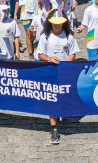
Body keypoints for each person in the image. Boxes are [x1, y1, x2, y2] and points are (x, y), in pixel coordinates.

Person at [37, 15, 79, 145]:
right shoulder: (45, 36)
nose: (56, 26)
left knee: (63, 97)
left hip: (65, 71)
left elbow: (73, 52)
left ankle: (62, 114)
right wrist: (49, 59)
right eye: (54, 23)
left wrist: (68, 62)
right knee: (52, 100)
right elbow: (39, 54)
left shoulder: (69, 36)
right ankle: (54, 128)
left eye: (59, 23)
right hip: (50, 72)